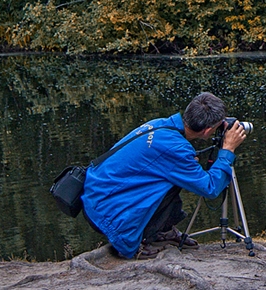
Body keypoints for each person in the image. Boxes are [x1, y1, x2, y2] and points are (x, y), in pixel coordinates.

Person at [80, 92, 248, 259]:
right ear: (208, 131)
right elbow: (210, 188)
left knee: (175, 179)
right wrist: (227, 150)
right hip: (106, 210)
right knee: (177, 179)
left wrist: (185, 162)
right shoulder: (176, 149)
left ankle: (162, 232)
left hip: (96, 195)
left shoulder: (161, 125)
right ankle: (129, 241)